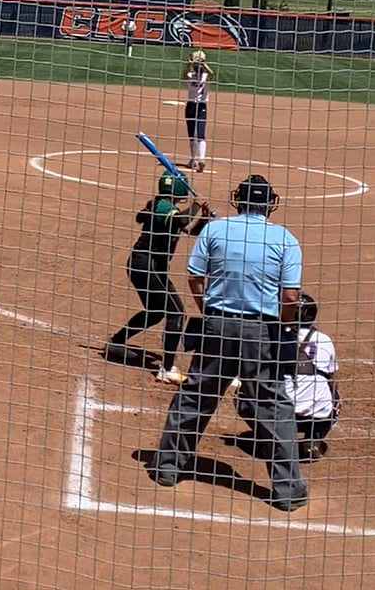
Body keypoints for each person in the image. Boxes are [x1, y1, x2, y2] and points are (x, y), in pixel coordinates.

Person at [147, 174, 307, 512]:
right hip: (261, 331)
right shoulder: (285, 239)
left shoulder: (215, 230)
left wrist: (208, 312)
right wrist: (282, 326)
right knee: (273, 407)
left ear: (239, 200)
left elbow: (194, 277)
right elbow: (291, 296)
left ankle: (167, 466)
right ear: (269, 204)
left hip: (217, 325)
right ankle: (288, 491)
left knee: (196, 395)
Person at [104, 171, 213, 385]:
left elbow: (189, 229)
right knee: (176, 312)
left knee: (155, 311)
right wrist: (196, 205)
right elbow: (182, 220)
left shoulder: (165, 206)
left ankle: (116, 342)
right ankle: (167, 369)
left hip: (148, 266)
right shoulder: (164, 206)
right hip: (146, 266)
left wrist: (204, 217)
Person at [236, 294, 339, 461]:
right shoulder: (324, 340)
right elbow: (332, 380)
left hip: (280, 415)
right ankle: (313, 440)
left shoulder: (273, 336)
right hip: (316, 416)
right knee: (335, 396)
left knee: (242, 392)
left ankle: (268, 440)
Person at [181, 50, 213, 171]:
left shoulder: (199, 76)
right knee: (197, 134)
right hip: (198, 106)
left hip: (195, 106)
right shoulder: (197, 76)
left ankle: (198, 159)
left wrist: (193, 63)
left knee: (195, 134)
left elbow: (211, 73)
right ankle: (197, 159)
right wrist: (197, 64)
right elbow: (211, 73)